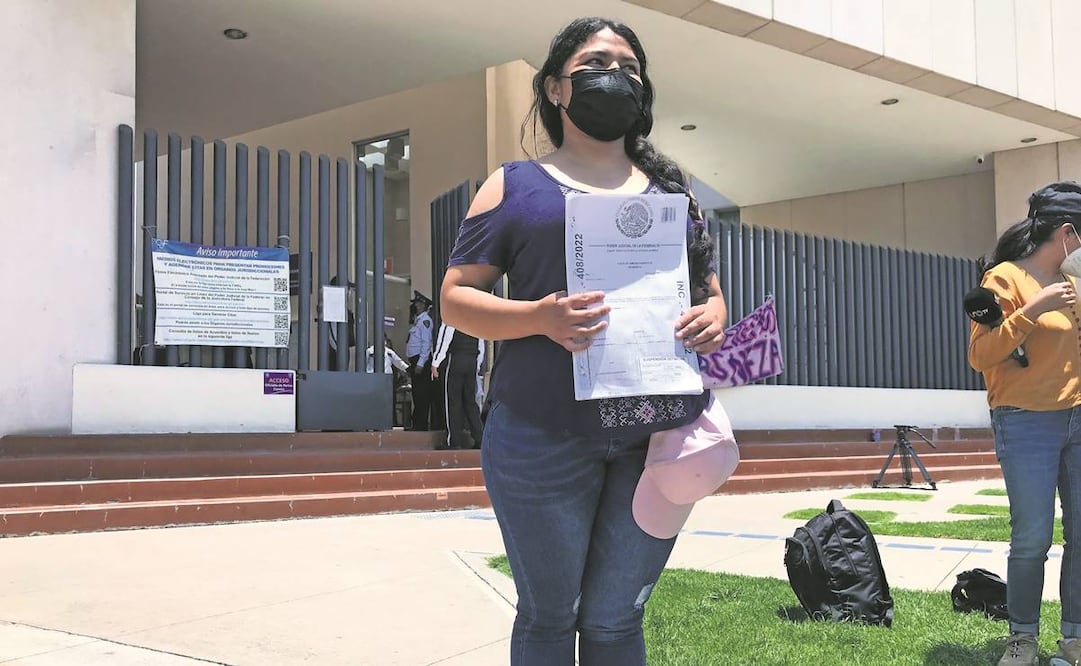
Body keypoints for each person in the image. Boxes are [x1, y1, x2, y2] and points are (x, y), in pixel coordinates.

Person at [439, 17, 726, 665]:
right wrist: (537, 316)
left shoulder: (671, 193)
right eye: (597, 63)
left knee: (616, 619)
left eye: (630, 67)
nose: (617, 76)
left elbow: (706, 289)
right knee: (549, 617)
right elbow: (457, 297)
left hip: (654, 437)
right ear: (555, 89)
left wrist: (711, 314)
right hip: (539, 435)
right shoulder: (513, 185)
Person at [969, 181, 1081, 666]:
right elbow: (980, 355)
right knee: (1033, 536)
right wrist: (1035, 310)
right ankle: (1023, 641)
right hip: (1024, 423)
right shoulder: (1004, 279)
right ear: (1068, 232)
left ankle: (1074, 638)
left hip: (1078, 419)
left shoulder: (1075, 281)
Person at [431, 321, 485, 450]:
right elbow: (481, 345)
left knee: (453, 401)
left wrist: (436, 362)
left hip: (456, 359)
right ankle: (480, 438)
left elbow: (444, 339)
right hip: (471, 361)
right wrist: (477, 365)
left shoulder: (452, 316)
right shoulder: (476, 319)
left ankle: (453, 441)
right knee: (470, 402)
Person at [406, 291, 435, 430]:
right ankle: (417, 422)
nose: (416, 305)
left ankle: (420, 424)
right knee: (417, 393)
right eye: (416, 303)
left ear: (424, 305)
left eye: (419, 303)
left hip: (420, 361)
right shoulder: (417, 320)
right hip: (415, 360)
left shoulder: (425, 321)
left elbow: (426, 343)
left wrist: (420, 363)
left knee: (421, 393)